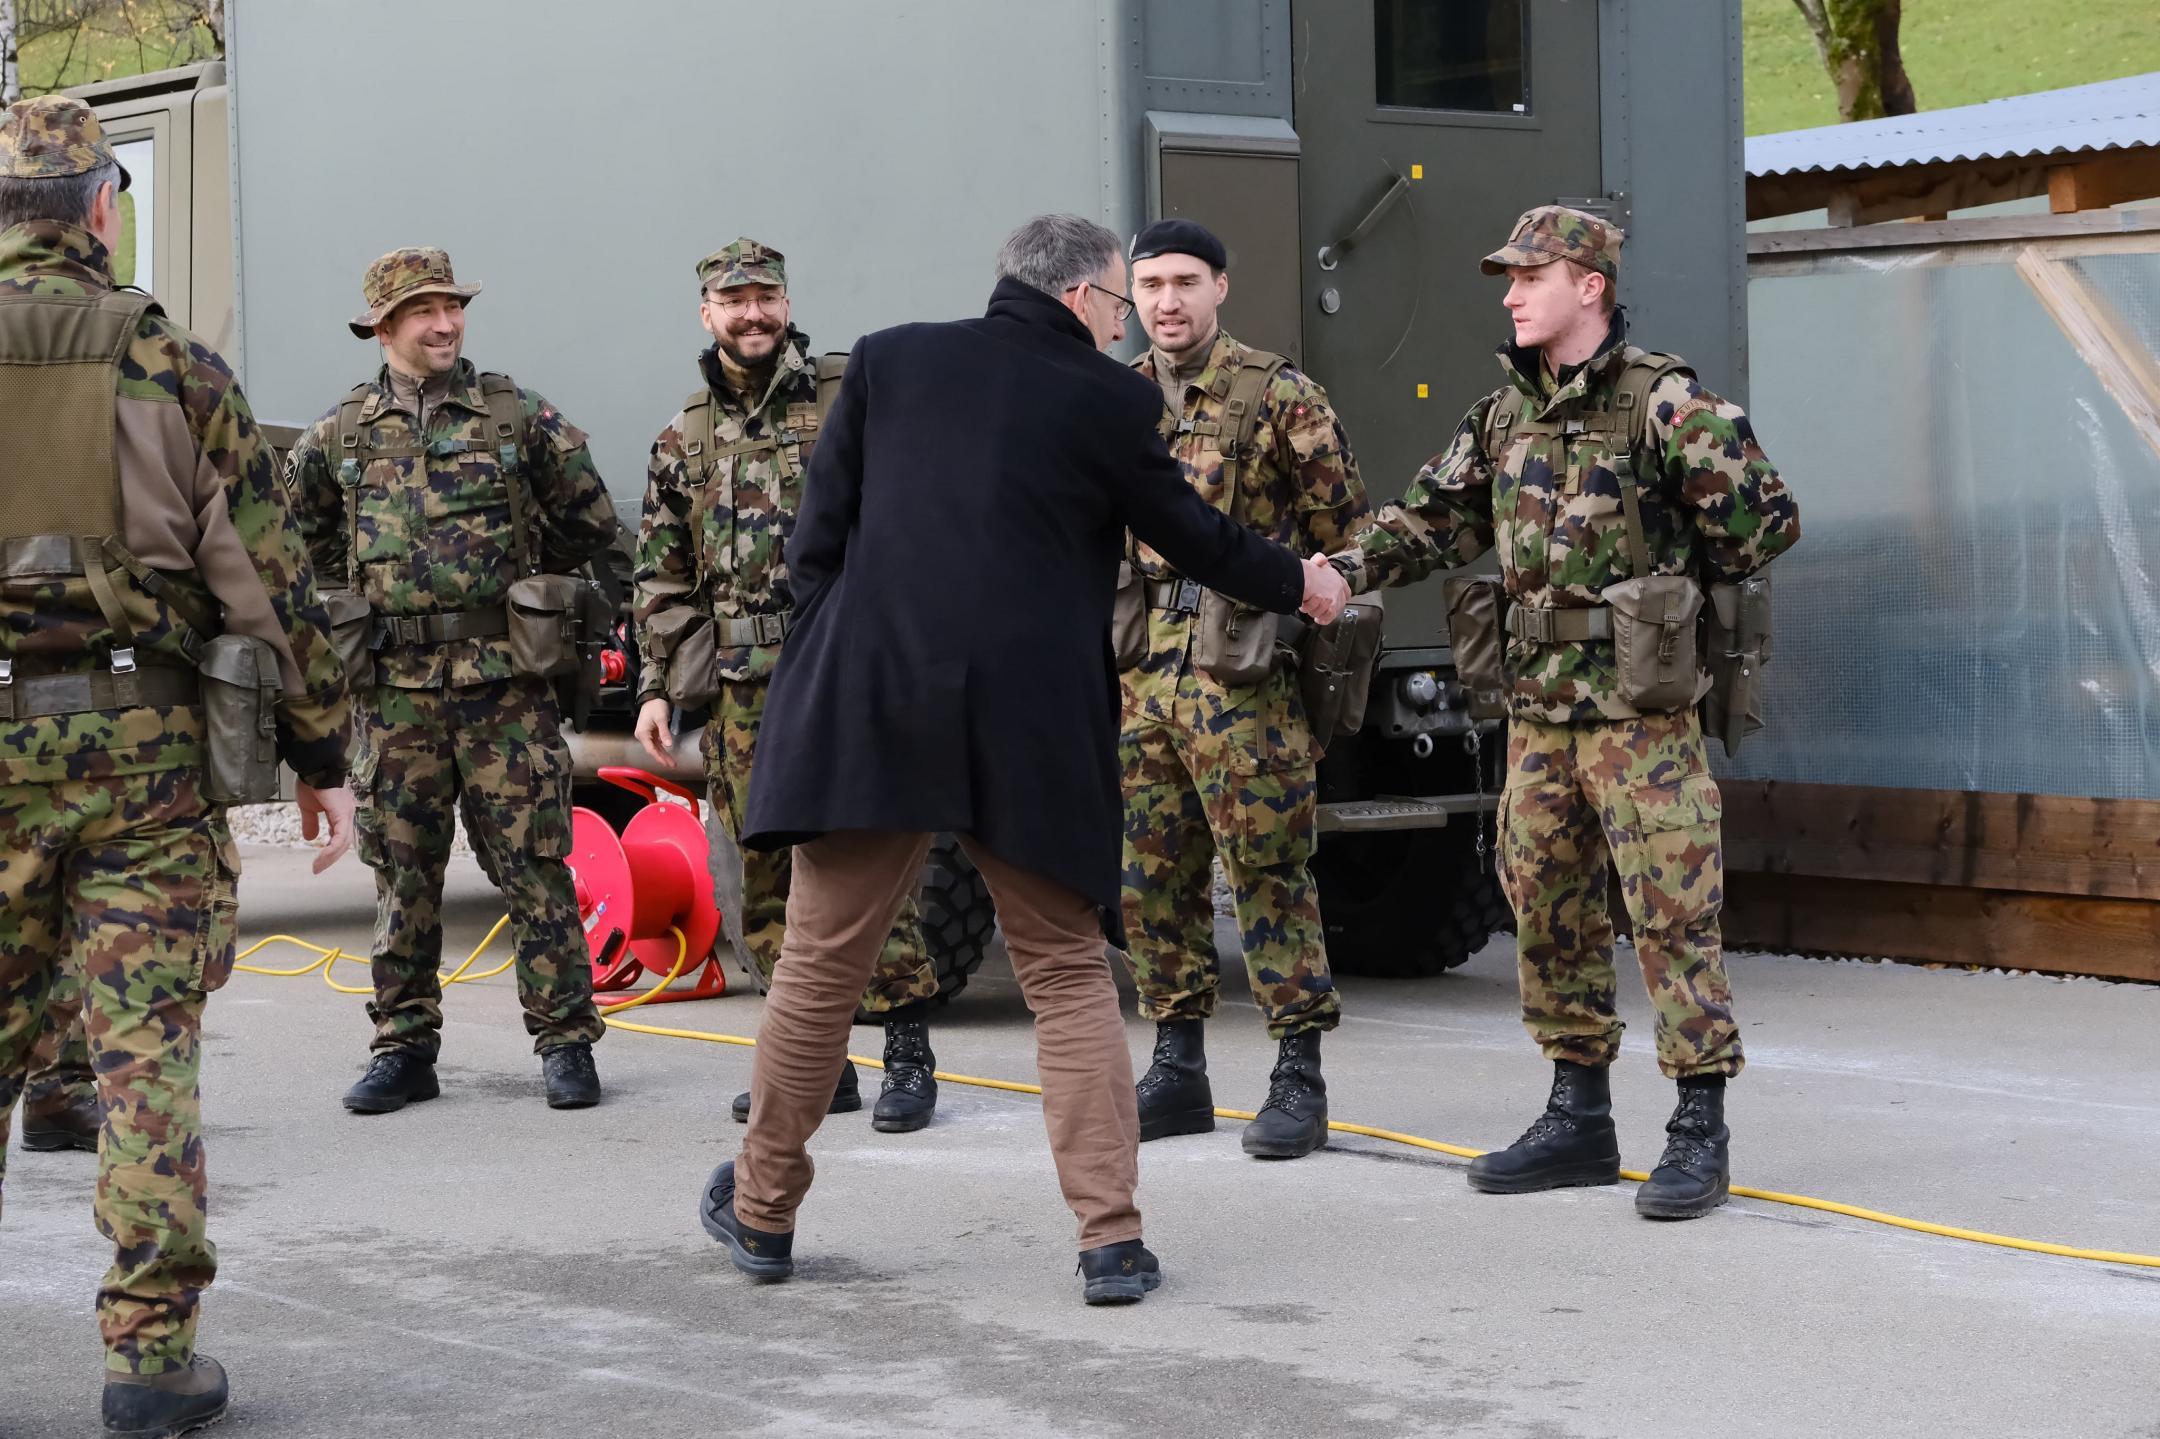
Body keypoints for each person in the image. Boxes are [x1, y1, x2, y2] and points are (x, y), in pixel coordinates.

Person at [696, 213, 1350, 1303]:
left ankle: (762, 1212)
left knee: (818, 968)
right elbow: (1195, 537)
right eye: (1121, 301)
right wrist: (1303, 583)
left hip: (875, 700)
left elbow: (816, 542)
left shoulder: (891, 360)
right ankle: (1110, 1240)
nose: (1126, 321)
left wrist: (841, 657)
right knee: (1065, 970)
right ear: (1086, 297)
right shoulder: (1110, 399)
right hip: (1031, 721)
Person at [0, 94, 355, 1437]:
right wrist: (318, 746)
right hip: (145, 765)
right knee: (143, 1061)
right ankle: (149, 1362)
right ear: (104, 207)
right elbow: (264, 576)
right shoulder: (174, 365)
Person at [1331, 205, 1800, 1219]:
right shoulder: (1503, 415)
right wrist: (1340, 570)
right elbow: (1431, 519)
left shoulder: (1664, 402)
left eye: (1528, 277)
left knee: (1672, 914)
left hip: (1640, 714)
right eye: (1507, 278)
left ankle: (1698, 1124)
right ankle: (1578, 1114)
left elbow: (1765, 521)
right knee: (1546, 907)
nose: (1509, 295)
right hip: (1540, 716)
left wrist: (1675, 585)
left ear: (1589, 285)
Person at [288, 248, 620, 1113]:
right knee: (402, 870)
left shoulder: (515, 415)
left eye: (453, 306)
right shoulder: (340, 434)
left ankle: (566, 1040)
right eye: (424, 311)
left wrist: (531, 588)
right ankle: (403, 1047)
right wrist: (354, 603)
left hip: (504, 683)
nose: (445, 324)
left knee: (535, 863)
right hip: (394, 692)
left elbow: (589, 519)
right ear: (383, 326)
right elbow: (299, 543)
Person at [633, 238, 941, 1134]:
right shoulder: (684, 435)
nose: (753, 313)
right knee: (762, 877)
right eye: (734, 301)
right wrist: (658, 686)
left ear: (787, 302)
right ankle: (818, 1064)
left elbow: (919, 519)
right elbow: (660, 576)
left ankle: (909, 1056)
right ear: (708, 314)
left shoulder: (852, 397)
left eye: (766, 296)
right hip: (742, 693)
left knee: (869, 866)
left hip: (847, 676)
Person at [1118, 218, 1369, 1159]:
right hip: (1142, 669)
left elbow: (1345, 539)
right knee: (1152, 873)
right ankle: (1176, 1066)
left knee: (1267, 869)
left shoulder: (1278, 394)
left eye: (1185, 281)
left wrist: (1308, 644)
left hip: (1246, 673)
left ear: (1220, 287)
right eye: (1150, 284)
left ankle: (1298, 1074)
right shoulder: (1116, 398)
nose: (1167, 301)